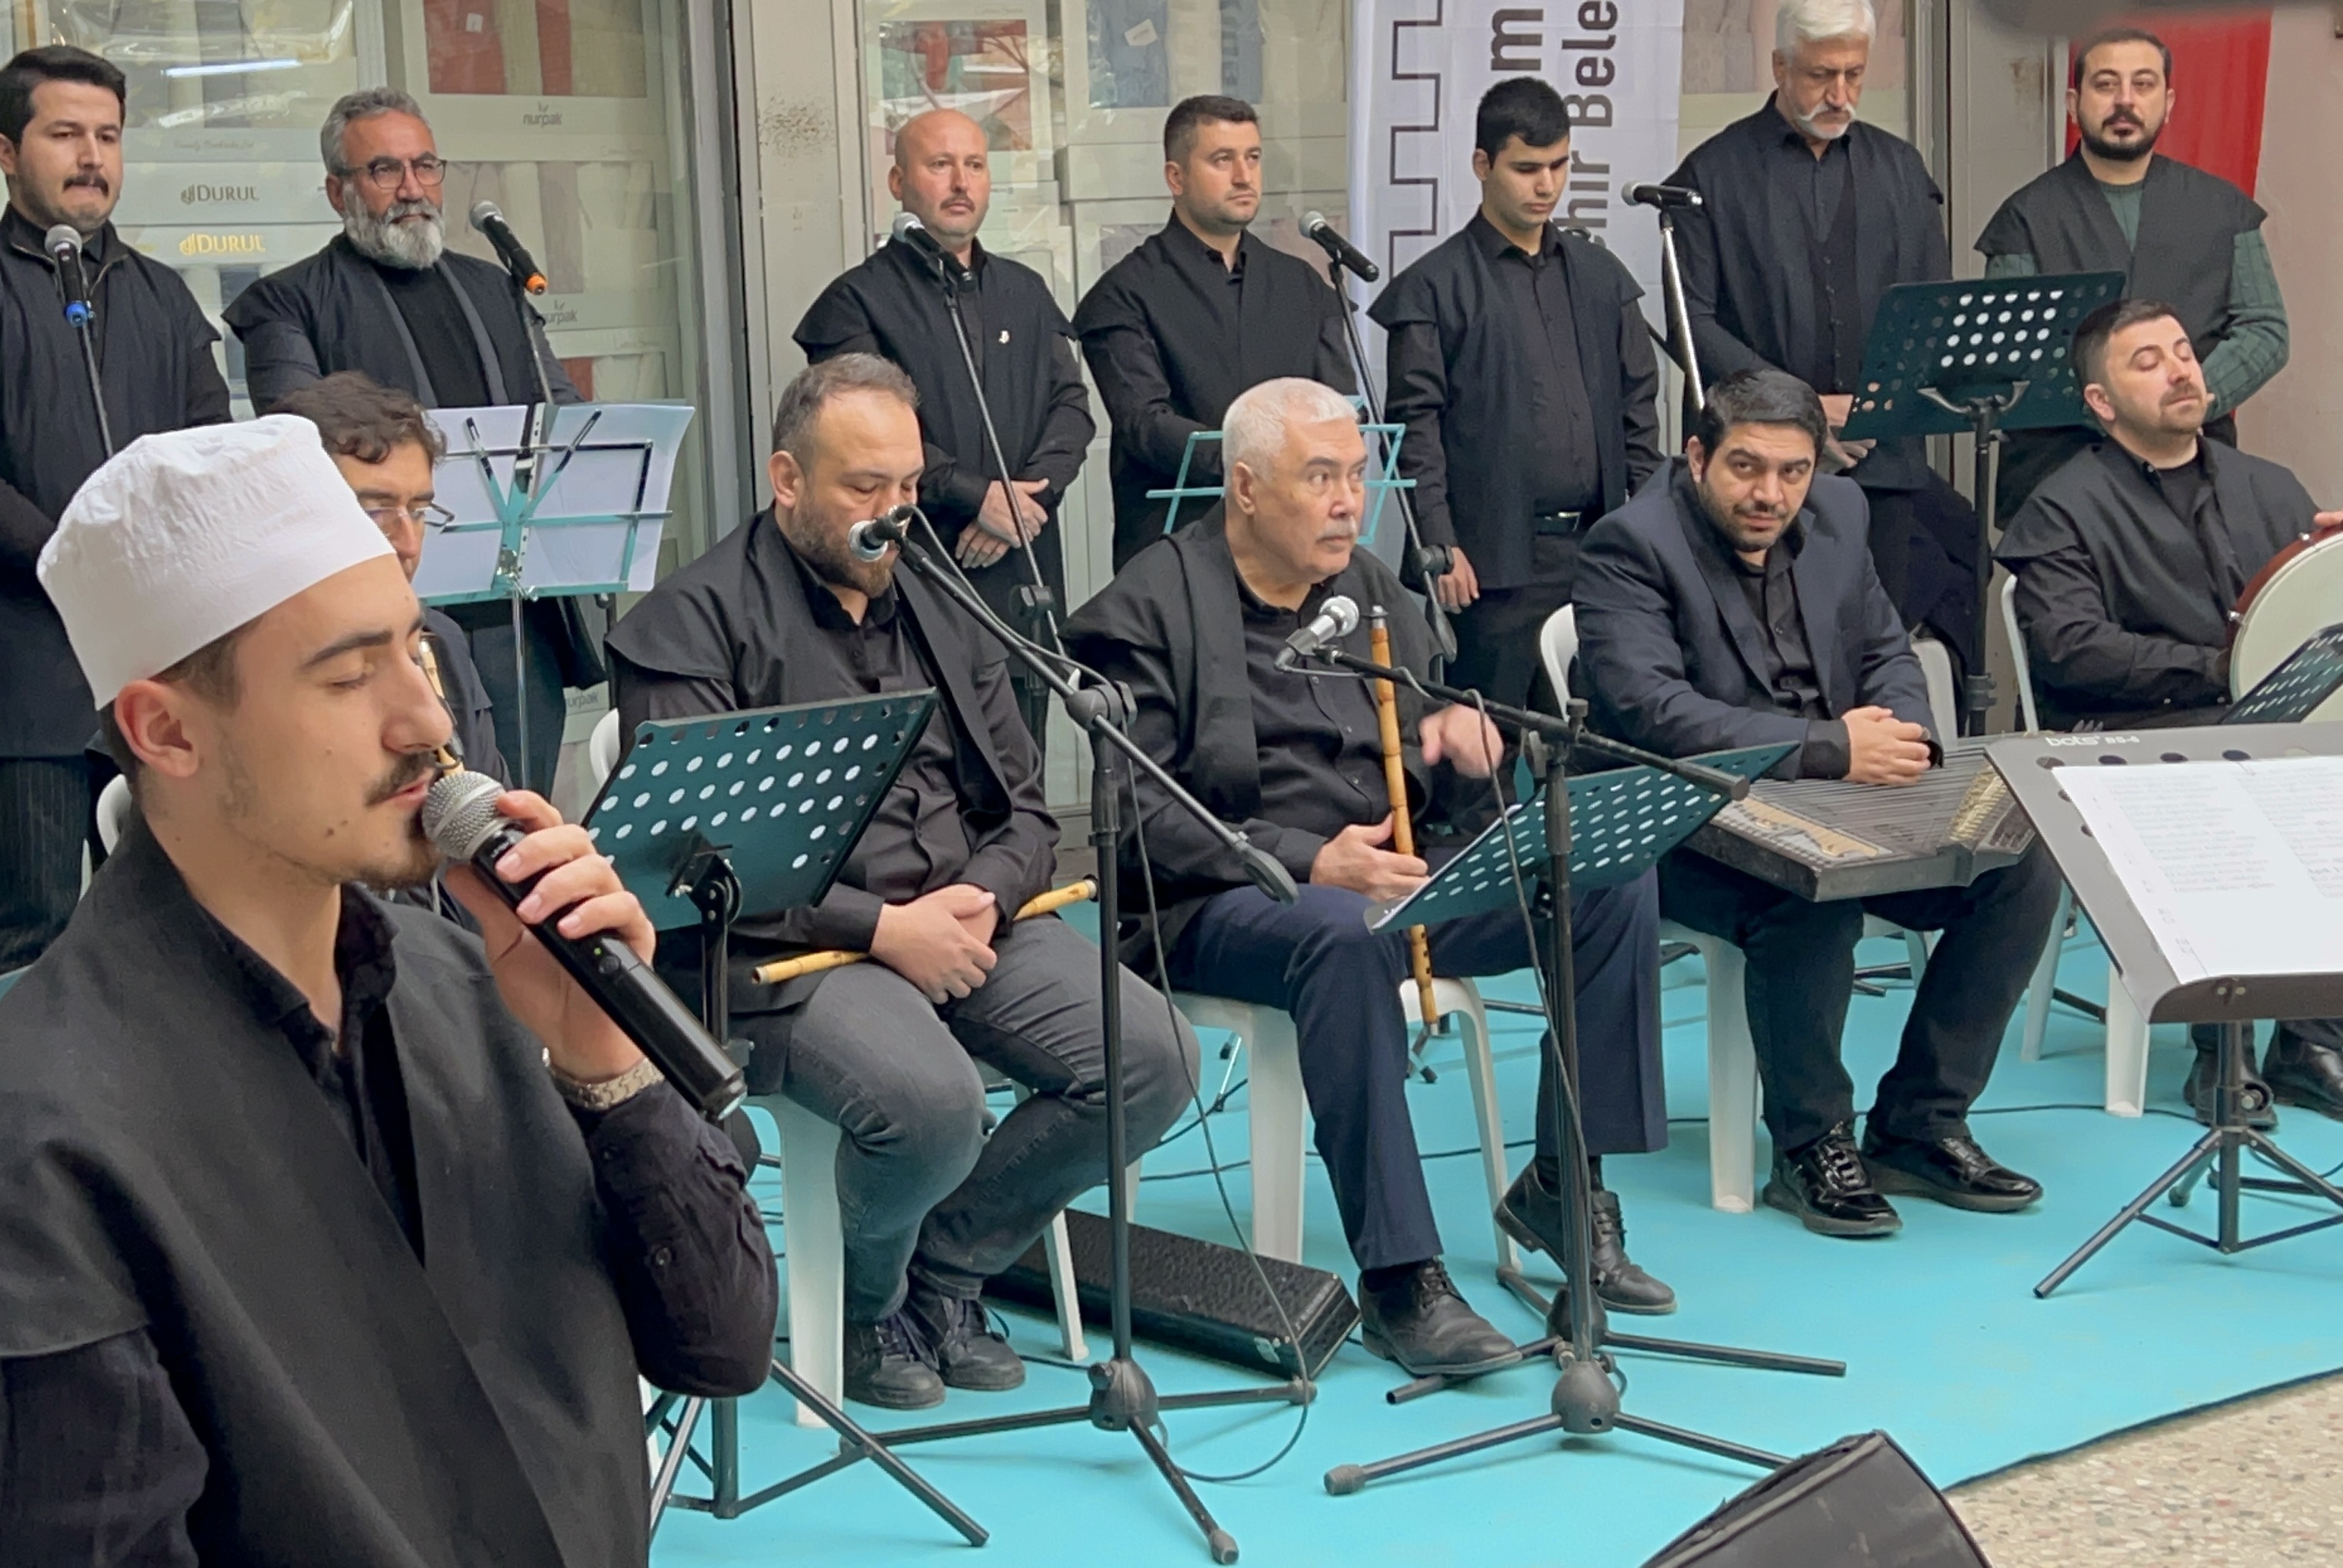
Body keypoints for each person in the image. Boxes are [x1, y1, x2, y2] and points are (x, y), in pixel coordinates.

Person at [0, 417, 776, 1566]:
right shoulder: (44, 1150)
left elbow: (721, 1346)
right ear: (166, 731)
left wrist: (606, 1061)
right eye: (348, 675)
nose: (428, 721)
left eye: (415, 651)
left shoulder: (470, 983)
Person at [607, 355, 1195, 1410]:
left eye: (911, 486)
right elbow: (691, 859)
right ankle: (870, 1302)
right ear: (787, 478)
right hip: (788, 950)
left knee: (1154, 1056)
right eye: (863, 486)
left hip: (968, 915)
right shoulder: (690, 621)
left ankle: (949, 1267)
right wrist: (887, 928)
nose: (893, 512)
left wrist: (988, 895)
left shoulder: (945, 601)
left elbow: (1026, 805)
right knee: (932, 1103)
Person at [1066, 377, 1673, 1376]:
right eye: (1320, 478)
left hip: (1396, 875)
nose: (1349, 501)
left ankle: (1566, 1185)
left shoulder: (1372, 589)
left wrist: (1457, 739)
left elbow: (1431, 729)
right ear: (1246, 487)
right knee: (1341, 932)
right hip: (1224, 900)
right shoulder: (1148, 605)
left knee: (1604, 877)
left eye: (1356, 475)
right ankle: (1402, 1276)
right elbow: (1138, 814)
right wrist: (1311, 860)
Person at [1576, 368, 2059, 1237]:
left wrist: (1904, 734)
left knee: (2020, 863)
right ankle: (1812, 1143)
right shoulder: (1630, 544)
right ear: (1697, 456)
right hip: (1689, 821)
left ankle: (1921, 1121)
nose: (1770, 494)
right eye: (1747, 468)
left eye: (1792, 471)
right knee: (1809, 897)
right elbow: (1656, 713)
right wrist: (1833, 746)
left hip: (1841, 797)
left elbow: (1886, 651)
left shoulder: (1841, 511)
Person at [0, 45, 229, 976]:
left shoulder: (162, 297)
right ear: (6, 151)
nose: (92, 157)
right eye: (65, 134)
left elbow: (210, 453)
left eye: (108, 136)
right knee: (36, 929)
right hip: (24, 673)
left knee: (177, 924)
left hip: (159, 664)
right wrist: (81, 564)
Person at [1997, 298, 2343, 1126]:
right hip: (2122, 735)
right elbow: (2072, 650)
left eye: (2183, 351)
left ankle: (2311, 1040)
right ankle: (2226, 1055)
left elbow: (2308, 612)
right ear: (2101, 402)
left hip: (2260, 721)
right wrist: (2221, 669)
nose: (2180, 371)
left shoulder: (2270, 485)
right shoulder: (2061, 506)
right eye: (2146, 362)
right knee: (2243, 782)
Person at [225, 86, 601, 795]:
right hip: (380, 624)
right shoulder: (287, 302)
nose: (411, 189)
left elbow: (564, 415)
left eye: (425, 167)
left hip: (515, 624)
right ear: (337, 191)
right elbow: (303, 445)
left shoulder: (495, 290)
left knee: (518, 818)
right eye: (384, 171)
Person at [1664, 0, 1981, 669]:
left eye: (1854, 74)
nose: (1840, 95)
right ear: (1779, 67)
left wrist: (1870, 410)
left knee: (1874, 656)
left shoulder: (1902, 169)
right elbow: (1691, 325)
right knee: (1766, 659)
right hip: (1757, 469)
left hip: (1883, 462)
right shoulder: (1711, 175)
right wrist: (1802, 412)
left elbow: (1932, 311)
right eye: (1820, 75)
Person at [793, 106, 1095, 741]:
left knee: (1024, 768)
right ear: (898, 182)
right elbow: (856, 438)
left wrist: (1023, 506)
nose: (961, 182)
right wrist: (976, 497)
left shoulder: (1024, 289)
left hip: (1022, 578)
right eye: (940, 165)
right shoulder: (856, 302)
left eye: (975, 165)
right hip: (912, 572)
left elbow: (1071, 409)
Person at [1368, 78, 1661, 711]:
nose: (1546, 185)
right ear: (1483, 164)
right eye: (1526, 168)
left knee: (1602, 734)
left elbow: (1638, 409)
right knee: (1484, 743)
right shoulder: (1433, 287)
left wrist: (1648, 524)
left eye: (1558, 165)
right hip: (1488, 562)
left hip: (1600, 549)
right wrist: (1439, 543)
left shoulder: (1600, 274)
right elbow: (1415, 429)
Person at [1975, 28, 2288, 521]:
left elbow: (2265, 329)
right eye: (2106, 85)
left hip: (2196, 468)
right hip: (2057, 479)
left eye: (2142, 84)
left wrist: (2187, 400)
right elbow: (2010, 353)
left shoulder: (2224, 208)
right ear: (2074, 104)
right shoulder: (2025, 218)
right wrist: (2122, 411)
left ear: (2168, 103)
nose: (2125, 100)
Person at [1075, 94, 1356, 570]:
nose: (1244, 176)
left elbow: (1337, 405)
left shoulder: (1302, 284)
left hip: (1292, 547)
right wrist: (1264, 465)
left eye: (1253, 157)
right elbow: (1145, 424)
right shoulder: (1124, 292)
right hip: (1178, 554)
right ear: (1176, 177)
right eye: (1222, 160)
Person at [272, 372, 505, 779]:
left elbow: (488, 790)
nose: (408, 545)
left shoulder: (442, 641)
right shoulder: (265, 666)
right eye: (376, 513)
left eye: (418, 512)